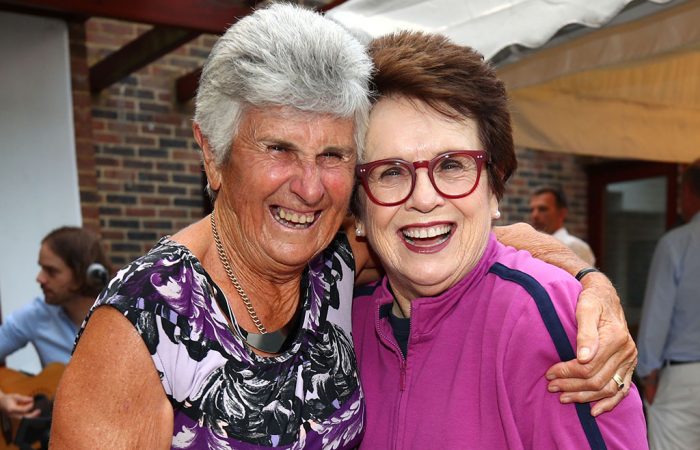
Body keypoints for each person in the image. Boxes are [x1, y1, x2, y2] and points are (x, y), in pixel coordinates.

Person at [51, 5, 635, 449]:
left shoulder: (331, 264)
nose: (308, 187)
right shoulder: (140, 332)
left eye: (332, 155)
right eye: (278, 147)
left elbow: (445, 235)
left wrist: (586, 284)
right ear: (212, 155)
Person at [351, 31, 646, 448]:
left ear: (494, 188)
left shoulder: (552, 321)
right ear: (359, 207)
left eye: (452, 164)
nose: (423, 198)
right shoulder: (341, 323)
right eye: (391, 171)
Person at [0, 226, 110, 419]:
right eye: (41, 268)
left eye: (51, 271)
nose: (39, 278)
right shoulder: (36, 315)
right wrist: (2, 400)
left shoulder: (121, 314)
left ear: (81, 275)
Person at [636, 159, 700, 449]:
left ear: (690, 192)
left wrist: (648, 375)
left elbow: (656, 317)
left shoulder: (678, 243)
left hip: (684, 378)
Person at [529, 187, 596, 266]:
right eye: (532, 210)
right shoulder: (530, 247)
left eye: (543, 209)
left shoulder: (575, 246)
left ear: (562, 213)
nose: (535, 215)